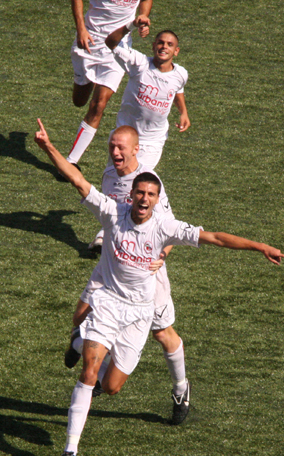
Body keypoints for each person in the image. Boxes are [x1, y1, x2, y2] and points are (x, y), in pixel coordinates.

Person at [34, 119, 284, 456]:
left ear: (157, 200)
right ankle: (69, 451)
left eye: (150, 196)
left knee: (111, 386)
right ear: (132, 196)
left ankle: (80, 340)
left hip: (139, 315)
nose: (143, 199)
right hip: (107, 302)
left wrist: (260, 246)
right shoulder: (112, 212)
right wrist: (48, 147)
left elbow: (215, 237)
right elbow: (77, 180)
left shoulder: (166, 227)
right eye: (139, 194)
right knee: (89, 371)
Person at [66, 125, 192, 429]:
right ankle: (84, 347)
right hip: (113, 267)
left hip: (147, 277)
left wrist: (160, 257)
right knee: (79, 317)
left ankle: (180, 389)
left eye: (121, 147)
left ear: (137, 149)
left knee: (163, 335)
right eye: (111, 146)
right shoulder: (110, 175)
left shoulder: (151, 185)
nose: (115, 152)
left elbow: (170, 231)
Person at [66, 0, 153, 166]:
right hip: (90, 39)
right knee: (79, 101)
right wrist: (80, 29)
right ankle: (88, 79)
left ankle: (71, 162)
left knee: (98, 105)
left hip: (117, 46)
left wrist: (143, 16)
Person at [104, 25, 190, 169]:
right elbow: (110, 43)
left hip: (152, 141)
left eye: (170, 45)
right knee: (116, 179)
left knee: (139, 180)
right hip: (125, 136)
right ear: (153, 46)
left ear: (176, 51)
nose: (164, 47)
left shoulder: (181, 74)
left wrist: (183, 112)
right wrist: (131, 25)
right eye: (161, 42)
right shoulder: (139, 63)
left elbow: (177, 89)